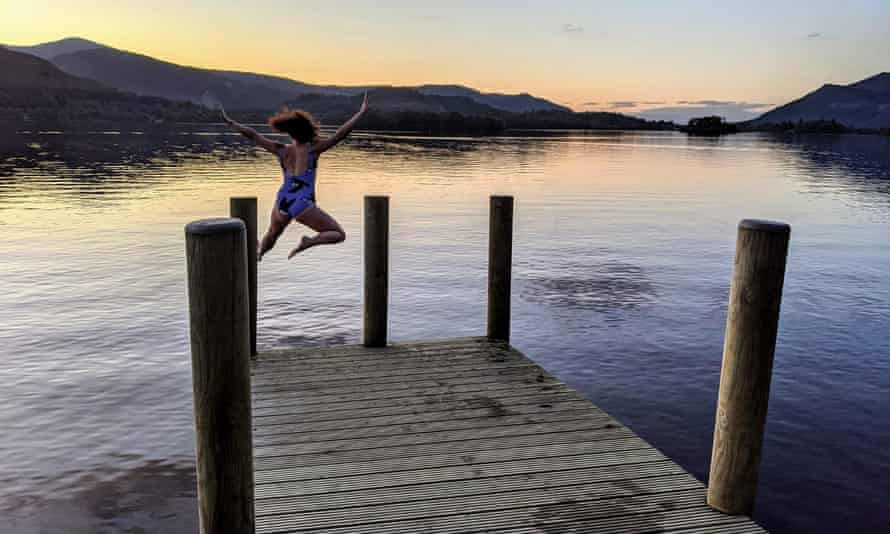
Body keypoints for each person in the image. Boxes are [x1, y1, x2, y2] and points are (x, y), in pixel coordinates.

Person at [221, 93, 368, 260]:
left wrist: (232, 124)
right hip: (301, 203)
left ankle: (259, 253)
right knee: (338, 234)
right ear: (307, 130)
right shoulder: (313, 150)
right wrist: (361, 113)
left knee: (272, 234)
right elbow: (340, 134)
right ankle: (308, 242)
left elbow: (254, 135)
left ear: (290, 132)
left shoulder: (282, 150)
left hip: (283, 200)